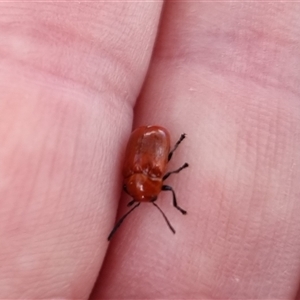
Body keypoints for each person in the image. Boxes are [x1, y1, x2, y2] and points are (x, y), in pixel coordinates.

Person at [1, 2, 299, 299]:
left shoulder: (143, 175)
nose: (151, 195)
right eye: (152, 196)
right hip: (152, 140)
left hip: (153, 138)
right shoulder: (146, 175)